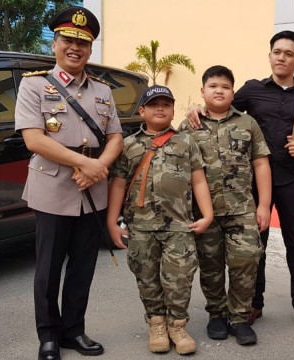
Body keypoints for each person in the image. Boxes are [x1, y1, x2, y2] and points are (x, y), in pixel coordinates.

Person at [187, 30, 294, 333]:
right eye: (277, 51)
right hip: (250, 183)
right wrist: (195, 108)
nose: (282, 57)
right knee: (253, 246)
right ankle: (253, 303)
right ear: (270, 55)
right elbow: (222, 107)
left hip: (291, 180)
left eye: (289, 54)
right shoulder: (252, 89)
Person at [15, 6, 121, 360]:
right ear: (55, 42)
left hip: (92, 189)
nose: (74, 47)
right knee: (48, 268)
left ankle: (74, 330)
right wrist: (84, 163)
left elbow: (116, 137)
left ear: (90, 49)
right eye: (68, 40)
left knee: (82, 267)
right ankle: (48, 335)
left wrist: (99, 166)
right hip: (53, 186)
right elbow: (34, 140)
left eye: (83, 42)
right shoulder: (35, 84)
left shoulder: (103, 90)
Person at [106, 85, 213, 355]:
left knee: (180, 278)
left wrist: (207, 214)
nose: (161, 108)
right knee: (147, 277)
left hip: (179, 226)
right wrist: (111, 223)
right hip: (140, 227)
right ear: (142, 110)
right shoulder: (128, 145)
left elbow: (198, 179)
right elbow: (118, 185)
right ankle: (156, 323)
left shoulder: (186, 142)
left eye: (166, 103)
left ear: (173, 109)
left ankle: (178, 325)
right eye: (154, 104)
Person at [179, 65, 272, 345]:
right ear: (203, 91)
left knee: (246, 261)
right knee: (210, 265)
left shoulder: (247, 123)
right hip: (204, 212)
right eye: (213, 86)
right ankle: (217, 314)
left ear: (233, 92)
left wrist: (264, 204)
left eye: (225, 86)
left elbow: (261, 163)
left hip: (242, 208)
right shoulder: (189, 125)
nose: (219, 90)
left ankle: (239, 317)